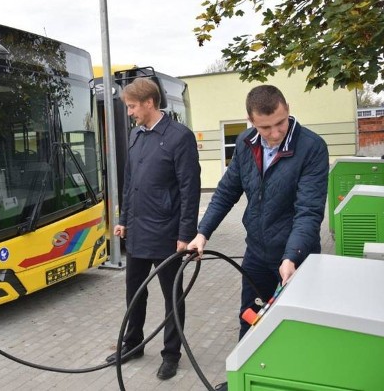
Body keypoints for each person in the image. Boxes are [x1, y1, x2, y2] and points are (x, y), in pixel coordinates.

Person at [185, 84, 328, 337]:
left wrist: (291, 257)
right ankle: (245, 376)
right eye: (265, 127)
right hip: (257, 254)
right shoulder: (245, 143)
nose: (275, 133)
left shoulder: (312, 147)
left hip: (297, 256)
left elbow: (308, 211)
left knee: (295, 328)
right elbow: (227, 191)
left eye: (280, 123)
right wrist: (202, 233)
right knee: (252, 319)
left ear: (288, 110)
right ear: (250, 121)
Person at [106, 77, 201, 380]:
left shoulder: (179, 137)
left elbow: (190, 188)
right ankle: (133, 344)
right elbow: (130, 182)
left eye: (132, 106)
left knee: (172, 295)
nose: (130, 112)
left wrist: (185, 235)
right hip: (136, 230)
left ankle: (171, 354)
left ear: (149, 103)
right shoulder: (135, 135)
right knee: (134, 292)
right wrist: (123, 220)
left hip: (167, 234)